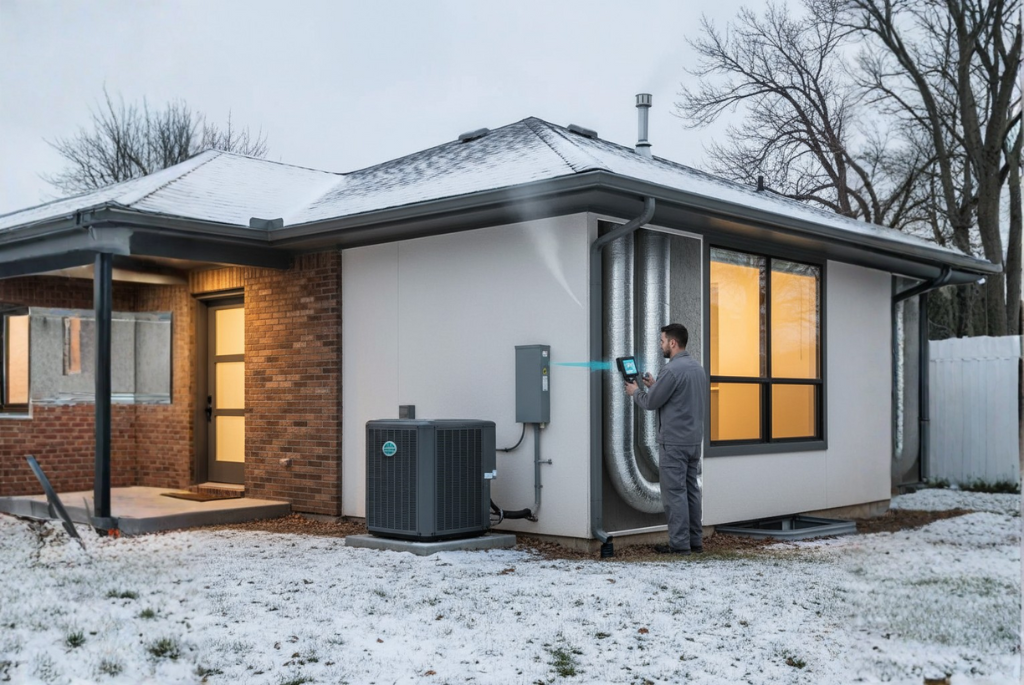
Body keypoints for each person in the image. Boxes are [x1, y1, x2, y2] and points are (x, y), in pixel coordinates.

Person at [625, 323, 708, 555]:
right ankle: (694, 542)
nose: (660, 345)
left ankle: (679, 545)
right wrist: (655, 386)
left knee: (675, 494)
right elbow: (678, 397)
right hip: (693, 442)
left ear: (673, 343)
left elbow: (651, 403)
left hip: (674, 444)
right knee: (691, 491)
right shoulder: (697, 369)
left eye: (662, 341)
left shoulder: (671, 371)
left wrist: (635, 392)